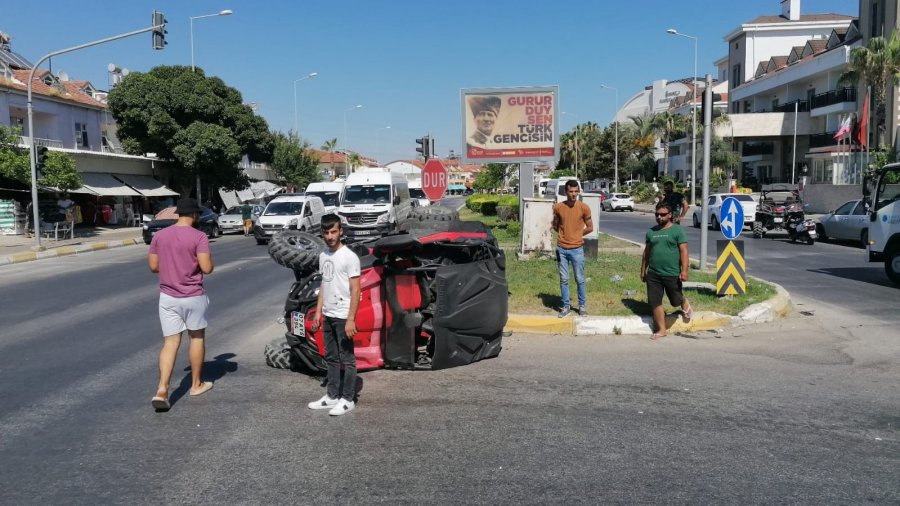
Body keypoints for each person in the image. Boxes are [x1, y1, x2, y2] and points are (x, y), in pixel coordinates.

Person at [147, 198, 215, 411]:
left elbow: (153, 266)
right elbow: (207, 268)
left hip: (168, 297)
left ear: (178, 213)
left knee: (170, 342)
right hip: (193, 296)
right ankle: (196, 384)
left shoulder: (159, 235)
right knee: (196, 337)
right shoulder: (199, 236)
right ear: (195, 215)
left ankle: (162, 389)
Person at [308, 213, 361, 416]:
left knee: (346, 359)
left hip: (343, 315)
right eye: (326, 232)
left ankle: (347, 399)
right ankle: (331, 397)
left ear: (341, 232)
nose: (330, 236)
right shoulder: (324, 256)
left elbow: (356, 290)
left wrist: (350, 319)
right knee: (330, 357)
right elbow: (324, 284)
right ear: (322, 233)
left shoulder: (349, 257)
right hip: (328, 314)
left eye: (333, 232)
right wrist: (318, 312)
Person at [640, 202, 692, 340]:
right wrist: (643, 270)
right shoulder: (651, 232)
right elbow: (646, 253)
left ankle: (683, 301)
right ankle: (662, 329)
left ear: (670, 215)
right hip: (654, 274)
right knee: (655, 301)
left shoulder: (677, 231)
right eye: (657, 214)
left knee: (675, 301)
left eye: (662, 215)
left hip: (672, 273)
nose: (659, 217)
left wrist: (684, 270)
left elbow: (684, 251)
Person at [551, 180, 593, 317]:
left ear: (578, 191)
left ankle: (582, 306)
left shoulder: (584, 207)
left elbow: (590, 227)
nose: (573, 194)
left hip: (577, 249)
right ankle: (565, 306)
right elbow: (555, 225)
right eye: (571, 191)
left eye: (576, 191)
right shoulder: (558, 207)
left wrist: (578, 234)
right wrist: (564, 234)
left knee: (580, 279)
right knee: (564, 279)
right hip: (562, 249)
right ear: (565, 192)